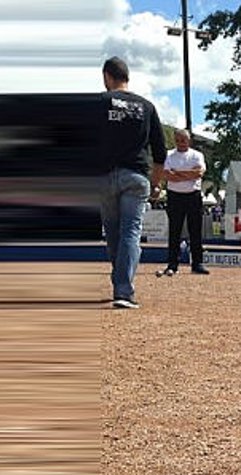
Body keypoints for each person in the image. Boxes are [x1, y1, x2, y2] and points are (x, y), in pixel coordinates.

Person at [98, 56, 166, 309]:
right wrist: (156, 184)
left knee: (113, 233)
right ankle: (123, 290)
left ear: (107, 76)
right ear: (127, 76)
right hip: (136, 176)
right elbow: (160, 153)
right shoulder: (147, 107)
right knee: (131, 232)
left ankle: (120, 284)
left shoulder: (99, 103)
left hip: (104, 176)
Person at [161, 128, 208, 275]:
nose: (181, 143)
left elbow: (199, 173)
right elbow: (167, 175)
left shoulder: (197, 155)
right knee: (174, 231)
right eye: (178, 140)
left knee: (196, 231)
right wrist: (189, 174)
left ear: (189, 140)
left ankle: (197, 263)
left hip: (193, 195)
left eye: (184, 140)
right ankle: (172, 264)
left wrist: (178, 172)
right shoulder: (169, 155)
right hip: (174, 196)